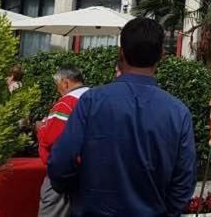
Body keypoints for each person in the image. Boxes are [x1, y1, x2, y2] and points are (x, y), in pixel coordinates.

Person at [48, 18, 196, 216]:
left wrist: (77, 193)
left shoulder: (91, 101)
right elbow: (184, 181)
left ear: (120, 53)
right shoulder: (178, 112)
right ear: (161, 55)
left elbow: (60, 162)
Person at [36, 67, 89, 217]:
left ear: (65, 83)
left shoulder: (66, 102)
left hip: (65, 172)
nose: (57, 89)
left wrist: (40, 127)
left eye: (57, 84)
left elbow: (50, 138)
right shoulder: (96, 97)